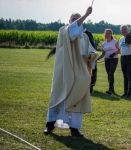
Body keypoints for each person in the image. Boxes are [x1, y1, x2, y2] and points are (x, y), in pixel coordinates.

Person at [43, 6, 97, 136]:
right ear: (69, 20)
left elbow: (91, 51)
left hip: (79, 71)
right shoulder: (64, 31)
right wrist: (85, 15)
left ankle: (74, 128)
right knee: (58, 95)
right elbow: (72, 32)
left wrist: (91, 56)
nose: (76, 20)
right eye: (74, 18)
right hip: (64, 71)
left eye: (78, 19)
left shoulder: (84, 37)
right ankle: (50, 125)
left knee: (77, 96)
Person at [97, 29, 120, 95]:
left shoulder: (115, 42)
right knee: (109, 74)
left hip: (114, 59)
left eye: (108, 33)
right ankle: (112, 89)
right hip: (107, 59)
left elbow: (119, 50)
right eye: (106, 33)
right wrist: (97, 58)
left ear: (111, 34)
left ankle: (110, 89)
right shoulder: (104, 43)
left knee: (111, 73)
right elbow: (103, 54)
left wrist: (113, 54)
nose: (107, 34)